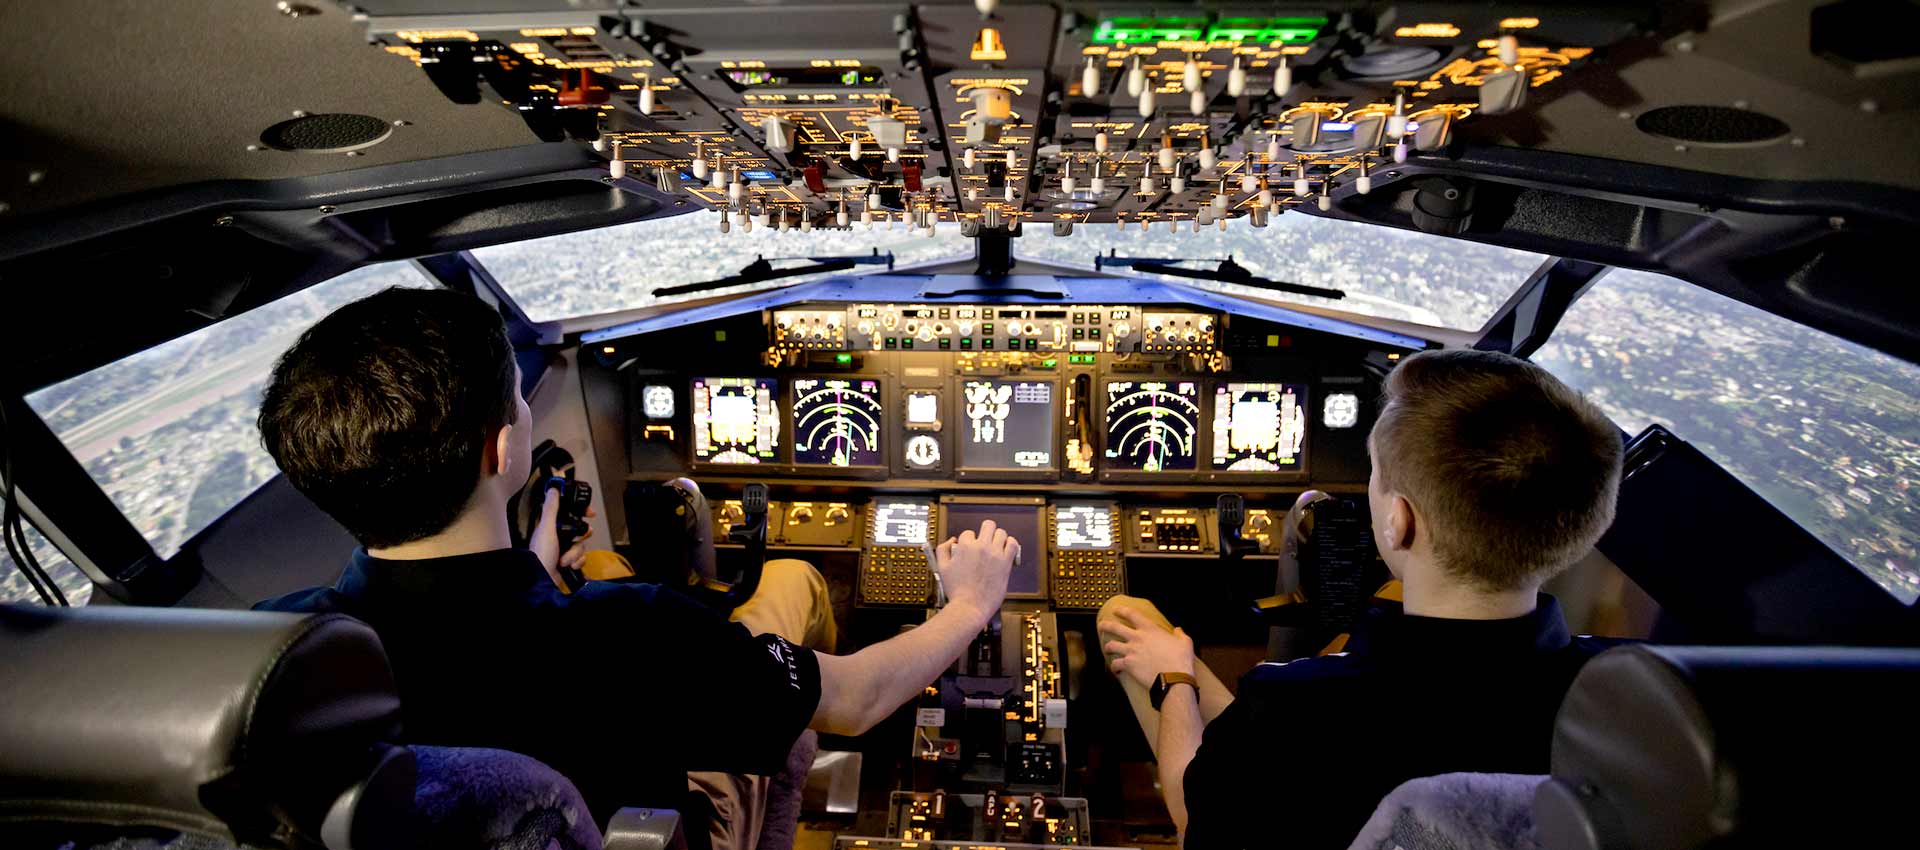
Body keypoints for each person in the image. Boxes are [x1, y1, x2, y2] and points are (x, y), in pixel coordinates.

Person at [254, 287, 1020, 850]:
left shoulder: (270, 649)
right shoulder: (629, 630)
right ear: (501, 449)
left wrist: (535, 570)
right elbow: (857, 699)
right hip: (661, 833)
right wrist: (970, 604)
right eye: (520, 402)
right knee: (790, 605)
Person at [1097, 348, 1625, 849]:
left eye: (1374, 475)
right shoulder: (1625, 697)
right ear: (1584, 525)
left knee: (1127, 618)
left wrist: (1177, 679)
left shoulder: (1298, 708)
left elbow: (1198, 825)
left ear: (1400, 521)